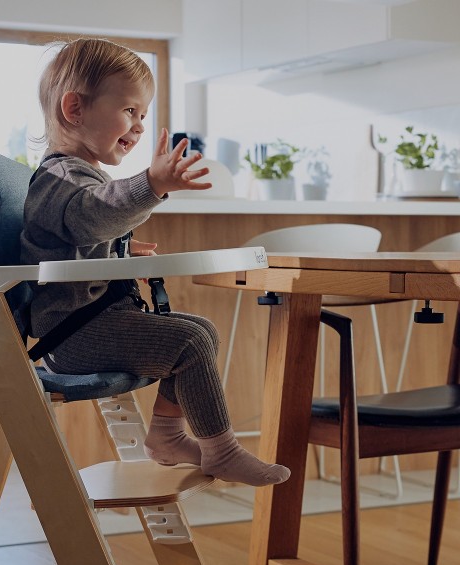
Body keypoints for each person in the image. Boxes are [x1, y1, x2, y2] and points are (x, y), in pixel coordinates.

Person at [20, 37, 290, 487]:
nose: (140, 125)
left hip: (87, 324)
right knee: (187, 340)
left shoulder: (78, 174)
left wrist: (121, 254)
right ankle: (219, 450)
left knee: (201, 330)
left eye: (143, 114)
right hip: (72, 334)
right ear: (74, 109)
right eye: (129, 110)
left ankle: (165, 434)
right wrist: (152, 183)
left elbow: (86, 231)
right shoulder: (60, 174)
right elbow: (92, 217)